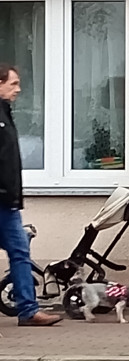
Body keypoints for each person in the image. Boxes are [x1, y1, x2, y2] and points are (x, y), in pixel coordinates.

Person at [0, 64, 61, 327]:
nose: (19, 89)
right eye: (13, 84)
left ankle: (28, 310)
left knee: (20, 252)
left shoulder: (6, 114)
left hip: (8, 203)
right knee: (19, 251)